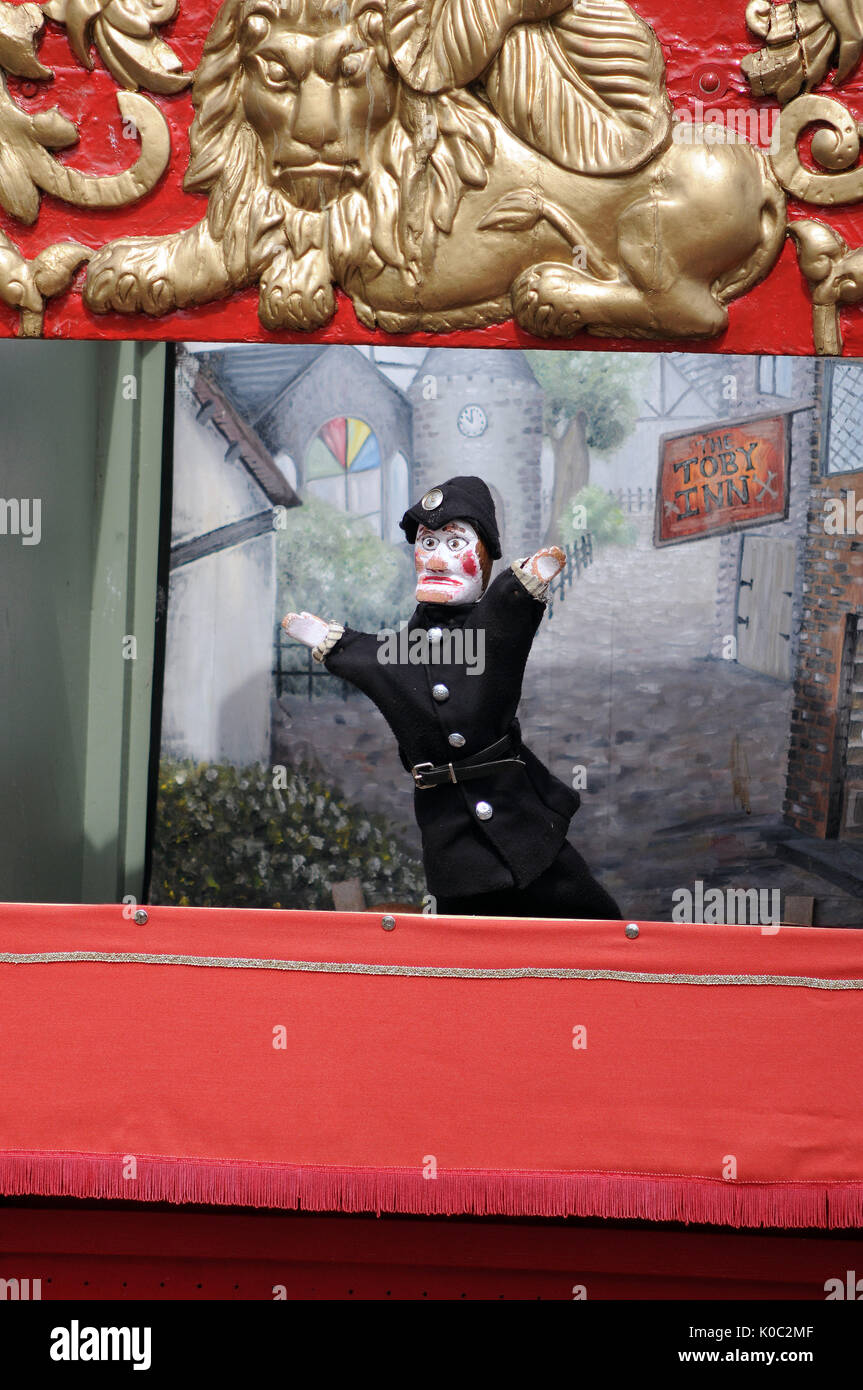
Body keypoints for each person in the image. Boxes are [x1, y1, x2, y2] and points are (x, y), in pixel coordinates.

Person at [282, 475, 620, 920]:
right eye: (427, 543)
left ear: (485, 553)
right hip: (451, 834)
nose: (437, 560)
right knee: (467, 937)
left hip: (519, 816)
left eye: (455, 544)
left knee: (584, 916)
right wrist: (333, 641)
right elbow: (376, 659)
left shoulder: (489, 632)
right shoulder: (404, 649)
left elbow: (506, 609)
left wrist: (527, 581)